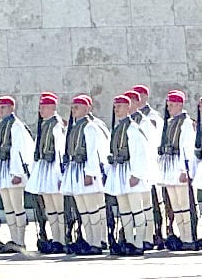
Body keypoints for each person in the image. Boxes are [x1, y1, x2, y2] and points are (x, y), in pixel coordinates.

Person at [61, 94, 110, 255]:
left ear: (87, 108)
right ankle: (89, 241)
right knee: (83, 209)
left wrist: (90, 173)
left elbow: (93, 151)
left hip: (86, 171)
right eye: (73, 107)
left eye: (77, 107)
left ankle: (97, 242)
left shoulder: (90, 127)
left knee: (92, 208)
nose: (73, 110)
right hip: (76, 170)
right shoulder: (76, 126)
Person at [0, 95, 35, 252]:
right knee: (8, 207)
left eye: (4, 107)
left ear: (11, 108)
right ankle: (14, 239)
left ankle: (20, 240)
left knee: (17, 205)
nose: (1, 110)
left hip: (12, 169)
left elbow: (19, 150)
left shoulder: (16, 126)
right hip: (1, 169)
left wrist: (17, 173)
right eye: (0, 107)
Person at [104, 94, 149, 256]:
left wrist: (136, 174)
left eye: (120, 106)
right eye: (115, 107)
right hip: (119, 172)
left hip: (130, 171)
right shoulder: (117, 128)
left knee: (136, 208)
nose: (117, 109)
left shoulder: (132, 128)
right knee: (124, 209)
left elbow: (140, 153)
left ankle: (139, 243)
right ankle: (129, 241)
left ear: (128, 108)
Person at [25, 92, 66, 254]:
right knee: (50, 208)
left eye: (43, 107)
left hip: (53, 170)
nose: (40, 110)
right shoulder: (44, 124)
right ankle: (56, 239)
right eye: (40, 107)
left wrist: (59, 175)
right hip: (44, 169)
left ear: (52, 107)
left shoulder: (56, 125)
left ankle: (63, 239)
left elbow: (59, 151)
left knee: (59, 207)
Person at [157, 90, 196, 251]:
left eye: (172, 105)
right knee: (175, 205)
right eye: (168, 105)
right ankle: (182, 235)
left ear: (180, 104)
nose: (169, 108)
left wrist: (183, 170)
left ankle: (189, 237)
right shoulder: (170, 122)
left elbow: (186, 147)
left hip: (179, 166)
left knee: (184, 203)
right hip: (168, 167)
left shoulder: (186, 123)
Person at [127, 88, 163, 250]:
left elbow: (153, 143)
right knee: (142, 204)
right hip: (133, 166)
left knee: (150, 203)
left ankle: (151, 235)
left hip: (147, 166)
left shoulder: (149, 118)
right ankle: (145, 236)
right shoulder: (130, 120)